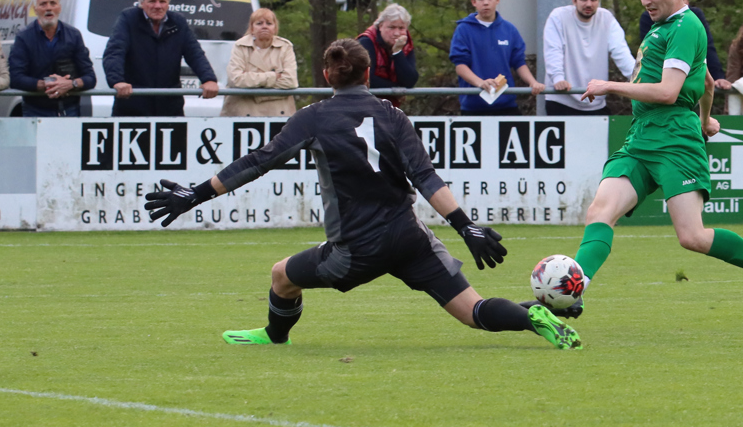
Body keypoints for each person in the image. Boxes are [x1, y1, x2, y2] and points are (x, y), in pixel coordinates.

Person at [143, 39, 581, 350]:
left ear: (326, 75)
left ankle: (275, 336)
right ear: (369, 73)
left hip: (355, 250)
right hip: (411, 238)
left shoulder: (313, 118)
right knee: (474, 310)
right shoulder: (393, 115)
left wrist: (194, 195)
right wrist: (467, 227)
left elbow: (258, 162)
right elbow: (427, 178)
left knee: (282, 275)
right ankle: (533, 316)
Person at [524, 0, 743, 326]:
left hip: (675, 139)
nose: (646, 0)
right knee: (600, 212)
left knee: (692, 236)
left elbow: (670, 92)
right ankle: (572, 295)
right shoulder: (660, 27)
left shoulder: (686, 26)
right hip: (642, 136)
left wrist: (609, 85)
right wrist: (706, 120)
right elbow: (705, 83)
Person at [101, 0, 219, 117]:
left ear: (168, 3)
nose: (158, 6)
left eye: (162, 1)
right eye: (152, 1)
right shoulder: (128, 19)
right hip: (132, 105)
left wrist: (209, 79)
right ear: (142, 3)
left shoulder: (178, 22)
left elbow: (195, 53)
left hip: (170, 105)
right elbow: (115, 52)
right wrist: (117, 81)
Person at [449, 0, 545, 115]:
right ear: (473, 2)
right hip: (473, 107)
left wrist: (532, 82)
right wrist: (481, 83)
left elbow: (519, 62)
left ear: (497, 0)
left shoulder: (509, 29)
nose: (486, 3)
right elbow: (460, 66)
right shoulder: (463, 30)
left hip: (507, 105)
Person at [543, 0, 636, 115]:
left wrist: (638, 78)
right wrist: (558, 78)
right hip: (561, 101)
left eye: (593, 0)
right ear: (574, 1)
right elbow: (553, 50)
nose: (589, 4)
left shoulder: (606, 18)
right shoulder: (558, 17)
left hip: (596, 103)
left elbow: (620, 51)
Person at [8, 0, 97, 117]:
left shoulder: (74, 35)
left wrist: (70, 84)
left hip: (69, 109)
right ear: (35, 9)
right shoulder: (24, 37)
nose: (49, 8)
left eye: (53, 3)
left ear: (59, 7)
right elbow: (15, 78)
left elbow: (90, 78)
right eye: (43, 4)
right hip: (35, 110)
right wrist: (47, 85)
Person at [639, 0, 724, 80]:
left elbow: (707, 48)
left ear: (688, 1)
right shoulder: (650, 17)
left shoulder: (694, 17)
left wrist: (718, 77)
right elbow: (649, 54)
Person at [221, 8, 297, 117]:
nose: (264, 26)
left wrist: (252, 86)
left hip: (277, 113)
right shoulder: (240, 46)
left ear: (275, 28)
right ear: (252, 28)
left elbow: (291, 81)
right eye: (259, 23)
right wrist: (273, 76)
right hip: (243, 113)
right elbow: (236, 79)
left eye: (269, 23)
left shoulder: (285, 47)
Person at [356, 3, 418, 108]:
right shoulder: (366, 42)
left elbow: (410, 80)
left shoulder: (406, 44)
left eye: (401, 28)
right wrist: (396, 90)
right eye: (392, 27)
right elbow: (367, 79)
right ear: (380, 26)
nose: (397, 33)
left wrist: (398, 52)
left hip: (390, 107)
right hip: (363, 104)